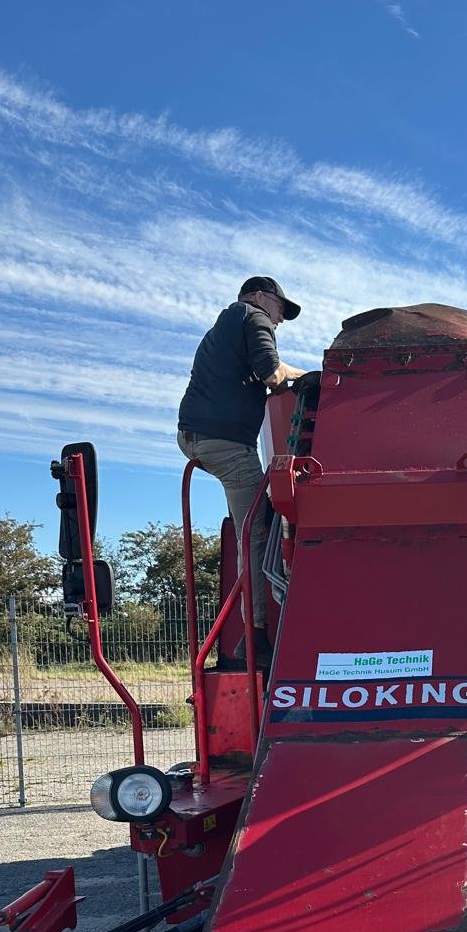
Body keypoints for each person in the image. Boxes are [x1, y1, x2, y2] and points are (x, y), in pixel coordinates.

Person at [177, 276, 305, 666]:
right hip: (226, 443)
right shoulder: (253, 317)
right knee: (256, 530)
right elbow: (270, 373)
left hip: (196, 436)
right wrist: (308, 378)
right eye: (282, 308)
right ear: (263, 296)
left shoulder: (225, 326)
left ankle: (251, 632)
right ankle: (254, 640)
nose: (281, 318)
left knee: (251, 519)